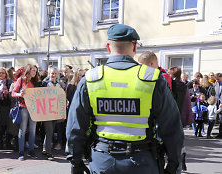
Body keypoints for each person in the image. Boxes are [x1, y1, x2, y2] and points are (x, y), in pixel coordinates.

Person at [66, 24, 184, 174]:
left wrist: (75, 162)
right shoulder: (153, 78)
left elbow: (76, 126)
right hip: (142, 161)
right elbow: (172, 127)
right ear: (135, 46)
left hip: (103, 159)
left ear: (108, 47)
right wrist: (174, 164)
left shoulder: (91, 79)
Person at [12, 64, 40, 160]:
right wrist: (20, 94)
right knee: (23, 130)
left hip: (34, 108)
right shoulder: (21, 80)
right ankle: (21, 152)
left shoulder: (35, 81)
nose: (34, 73)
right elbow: (13, 93)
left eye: (35, 71)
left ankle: (31, 151)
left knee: (33, 130)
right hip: (23, 107)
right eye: (33, 70)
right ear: (28, 70)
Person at [168, 66, 193, 172]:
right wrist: (187, 118)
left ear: (171, 74)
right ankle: (182, 162)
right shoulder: (184, 86)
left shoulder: (168, 84)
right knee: (179, 142)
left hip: (169, 116)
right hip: (179, 117)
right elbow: (187, 104)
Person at [41, 67, 63, 160]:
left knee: (50, 131)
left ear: (57, 74)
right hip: (47, 111)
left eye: (55, 73)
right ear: (49, 74)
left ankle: (45, 149)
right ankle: (49, 152)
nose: (53, 75)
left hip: (55, 111)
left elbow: (61, 98)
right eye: (52, 73)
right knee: (49, 131)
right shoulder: (45, 83)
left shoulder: (58, 85)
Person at [0, 68, 13, 150]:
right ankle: (0, 142)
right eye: (0, 73)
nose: (1, 74)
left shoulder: (9, 82)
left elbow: (13, 95)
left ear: (6, 74)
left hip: (8, 106)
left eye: (3, 73)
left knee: (8, 125)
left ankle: (8, 142)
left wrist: (8, 93)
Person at [213, 73, 222, 138]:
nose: (217, 80)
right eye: (216, 79)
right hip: (218, 104)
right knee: (220, 118)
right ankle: (220, 133)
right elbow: (216, 95)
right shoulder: (216, 85)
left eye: (218, 79)